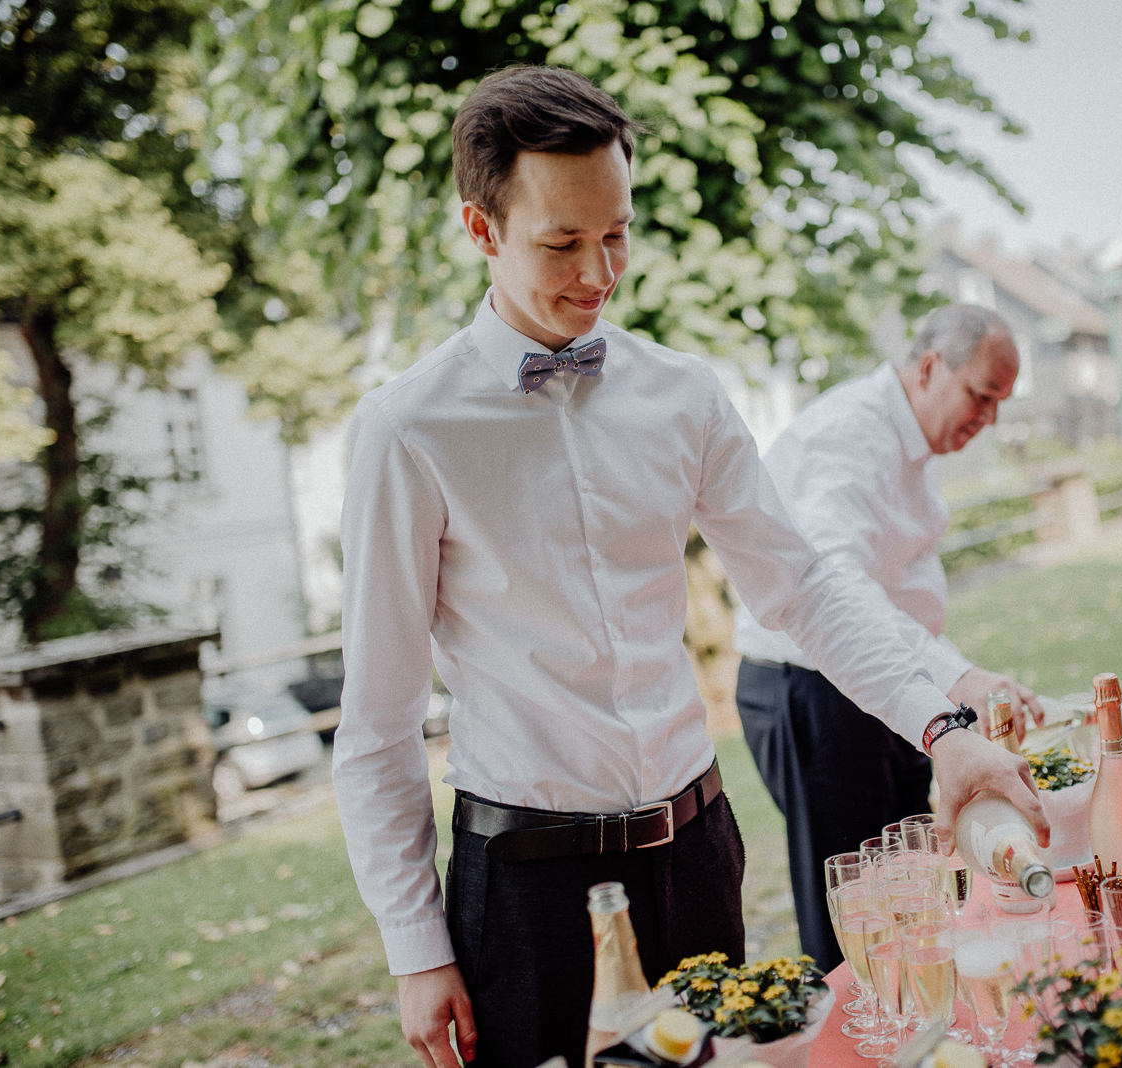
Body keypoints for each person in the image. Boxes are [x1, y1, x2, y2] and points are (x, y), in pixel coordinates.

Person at [333, 65, 1048, 1068]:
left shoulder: (683, 396)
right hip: (527, 884)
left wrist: (944, 728)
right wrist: (414, 948)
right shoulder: (408, 432)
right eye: (562, 243)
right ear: (480, 230)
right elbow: (378, 718)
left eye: (616, 234)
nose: (598, 273)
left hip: (698, 852)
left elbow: (800, 585)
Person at [732, 303, 1044, 973]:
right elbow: (835, 588)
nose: (987, 419)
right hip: (811, 690)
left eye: (999, 404)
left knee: (918, 879)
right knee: (858, 912)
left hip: (888, 687)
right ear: (930, 367)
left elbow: (894, 589)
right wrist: (953, 678)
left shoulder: (913, 439)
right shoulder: (847, 436)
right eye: (980, 396)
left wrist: (947, 677)